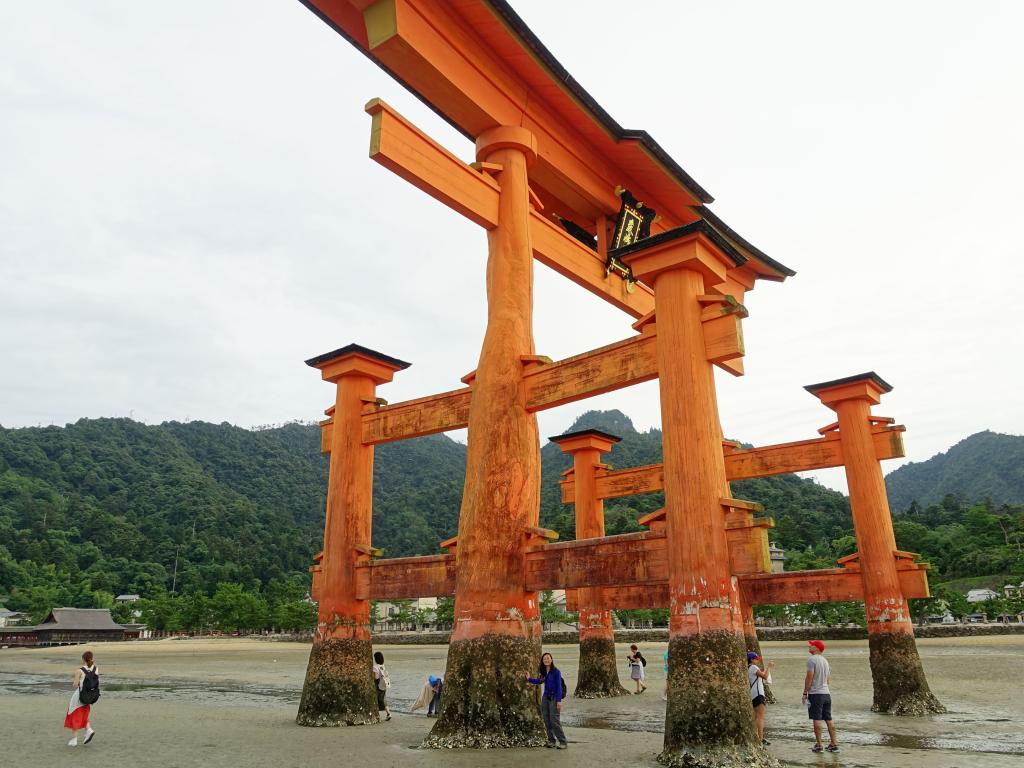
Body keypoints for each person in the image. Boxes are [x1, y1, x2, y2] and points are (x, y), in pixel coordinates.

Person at [803, 640, 838, 753]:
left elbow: (809, 677)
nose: (809, 646)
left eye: (812, 645)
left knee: (816, 718)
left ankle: (819, 744)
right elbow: (828, 680)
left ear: (817, 648)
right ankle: (834, 744)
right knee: (828, 718)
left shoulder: (812, 659)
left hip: (816, 693)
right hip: (826, 693)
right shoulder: (825, 661)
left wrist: (805, 692)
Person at [527, 652, 567, 749]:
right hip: (545, 698)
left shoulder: (556, 672)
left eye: (548, 658)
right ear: (542, 661)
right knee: (546, 719)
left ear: (551, 660)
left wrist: (558, 701)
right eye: (544, 659)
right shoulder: (544, 671)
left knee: (554, 720)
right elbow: (539, 681)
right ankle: (551, 741)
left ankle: (563, 742)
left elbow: (559, 687)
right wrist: (529, 679)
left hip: (554, 698)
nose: (546, 660)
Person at [64, 650, 98, 747]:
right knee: (83, 714)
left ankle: (74, 739)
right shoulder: (96, 669)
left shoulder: (79, 671)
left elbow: (75, 685)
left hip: (80, 695)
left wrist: (77, 682)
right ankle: (89, 730)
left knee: (74, 714)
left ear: (83, 659)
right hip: (90, 696)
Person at [747, 651, 774, 746]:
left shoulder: (749, 668)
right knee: (760, 717)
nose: (758, 660)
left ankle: (756, 737)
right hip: (758, 694)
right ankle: (761, 738)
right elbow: (765, 676)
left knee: (756, 717)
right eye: (756, 658)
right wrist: (769, 667)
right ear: (751, 659)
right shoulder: (753, 667)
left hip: (753, 694)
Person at [372, 651, 392, 721]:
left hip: (378, 685)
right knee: (383, 699)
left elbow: (376, 677)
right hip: (384, 684)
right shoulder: (382, 666)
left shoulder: (375, 667)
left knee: (376, 699)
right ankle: (388, 713)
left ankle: (377, 715)